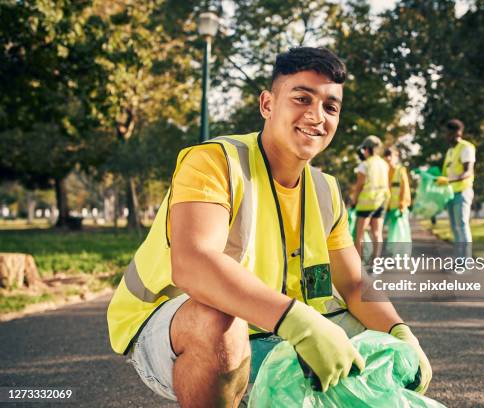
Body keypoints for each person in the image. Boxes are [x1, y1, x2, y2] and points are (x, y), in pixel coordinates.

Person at [106, 47, 431, 407]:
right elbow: (193, 262)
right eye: (302, 98)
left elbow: (353, 284)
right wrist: (300, 323)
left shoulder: (325, 190)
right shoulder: (215, 162)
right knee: (218, 321)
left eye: (330, 106)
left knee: (380, 363)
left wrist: (400, 334)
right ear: (267, 104)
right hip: (170, 325)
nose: (316, 115)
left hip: (273, 328)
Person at [436, 119, 476, 257]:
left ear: (456, 133)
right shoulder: (450, 151)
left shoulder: (466, 148)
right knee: (455, 229)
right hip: (451, 194)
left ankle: (465, 262)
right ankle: (458, 261)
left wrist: (449, 180)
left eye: (447, 133)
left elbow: (468, 171)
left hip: (462, 192)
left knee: (462, 227)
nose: (445, 136)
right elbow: (445, 174)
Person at [351, 135, 390, 261]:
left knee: (360, 235)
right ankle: (375, 263)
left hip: (366, 204)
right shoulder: (384, 164)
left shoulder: (364, 165)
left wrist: (354, 200)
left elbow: (359, 186)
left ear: (367, 149)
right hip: (380, 202)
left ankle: (359, 263)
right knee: (377, 234)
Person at [383, 145, 412, 242]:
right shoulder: (385, 171)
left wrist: (402, 205)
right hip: (388, 208)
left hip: (399, 209)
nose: (388, 158)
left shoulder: (400, 170)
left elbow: (405, 189)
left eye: (390, 155)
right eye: (386, 155)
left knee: (401, 233)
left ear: (396, 156)